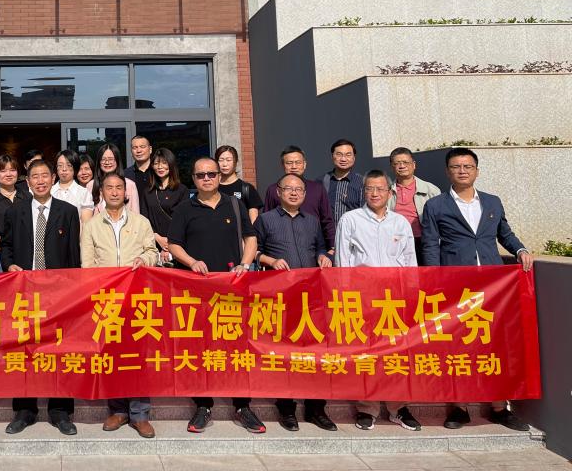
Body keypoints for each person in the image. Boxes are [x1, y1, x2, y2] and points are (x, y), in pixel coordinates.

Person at [422, 147, 533, 432]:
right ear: (448, 172)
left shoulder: (492, 202)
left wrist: (520, 250)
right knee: (458, 348)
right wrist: (435, 282)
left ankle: (499, 406)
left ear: (476, 171)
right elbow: (430, 245)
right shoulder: (435, 206)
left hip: (493, 288)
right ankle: (459, 408)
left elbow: (504, 233)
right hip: (456, 287)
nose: (462, 171)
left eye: (467, 166)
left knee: (495, 346)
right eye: (456, 167)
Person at [167, 157, 263, 435]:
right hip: (197, 291)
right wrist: (191, 261)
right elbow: (174, 244)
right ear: (194, 179)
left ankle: (242, 405)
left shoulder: (235, 204)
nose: (207, 178)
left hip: (232, 290)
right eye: (201, 175)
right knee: (199, 349)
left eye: (211, 174)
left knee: (237, 348)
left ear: (220, 176)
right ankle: (203, 405)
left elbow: (250, 238)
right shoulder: (185, 209)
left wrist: (245, 264)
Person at [334, 170, 420, 432]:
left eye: (380, 189)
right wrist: (346, 296)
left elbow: (410, 261)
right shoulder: (350, 220)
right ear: (364, 192)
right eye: (370, 188)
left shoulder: (400, 223)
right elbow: (342, 261)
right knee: (366, 353)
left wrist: (411, 295)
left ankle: (398, 407)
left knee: (397, 353)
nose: (374, 193)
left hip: (395, 299)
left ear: (390, 192)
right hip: (363, 297)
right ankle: (367, 407)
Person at [0, 159, 81, 436]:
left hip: (58, 293)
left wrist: (72, 291)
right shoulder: (16, 211)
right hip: (25, 291)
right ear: (28, 181)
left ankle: (60, 411)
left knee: (60, 350)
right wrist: (9, 265)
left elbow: (73, 255)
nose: (40, 181)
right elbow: (6, 245)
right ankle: (25, 410)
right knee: (24, 350)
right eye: (35, 176)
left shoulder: (68, 212)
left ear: (53, 178)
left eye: (45, 175)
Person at [255, 173, 335, 432]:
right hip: (279, 298)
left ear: (304, 194)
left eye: (298, 189)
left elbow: (321, 247)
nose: (293, 193)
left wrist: (323, 257)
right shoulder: (266, 219)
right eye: (288, 188)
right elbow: (253, 251)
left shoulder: (312, 221)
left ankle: (315, 409)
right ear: (278, 192)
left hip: (310, 298)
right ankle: (286, 408)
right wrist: (270, 260)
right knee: (283, 354)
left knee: (314, 354)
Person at [81, 172, 159, 438]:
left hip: (137, 298)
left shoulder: (141, 222)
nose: (114, 192)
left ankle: (140, 414)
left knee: (138, 355)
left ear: (126, 192)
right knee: (111, 355)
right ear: (101, 192)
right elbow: (87, 265)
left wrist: (144, 260)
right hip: (106, 301)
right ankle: (117, 410)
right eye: (109, 188)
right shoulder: (92, 226)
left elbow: (153, 252)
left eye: (119, 188)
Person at [263, 146, 334, 253]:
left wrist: (332, 247)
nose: (294, 166)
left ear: (304, 164)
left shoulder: (317, 189)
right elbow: (266, 220)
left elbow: (327, 220)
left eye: (298, 162)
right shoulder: (274, 190)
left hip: (313, 248)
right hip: (283, 249)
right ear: (283, 165)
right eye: (289, 163)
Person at [386, 147, 441, 263]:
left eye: (405, 162)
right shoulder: (386, 191)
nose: (402, 166)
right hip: (396, 242)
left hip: (423, 242)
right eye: (397, 163)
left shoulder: (431, 190)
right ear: (392, 166)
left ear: (414, 164)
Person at [140, 147, 189, 265]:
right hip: (152, 245)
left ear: (171, 165)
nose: (160, 167)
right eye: (156, 163)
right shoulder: (147, 191)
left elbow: (183, 220)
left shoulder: (181, 190)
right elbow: (144, 219)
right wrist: (157, 237)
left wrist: (169, 245)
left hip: (177, 245)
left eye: (164, 163)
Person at [87, 143, 140, 215]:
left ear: (117, 160)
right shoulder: (91, 185)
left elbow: (136, 215)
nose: (107, 162)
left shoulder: (130, 185)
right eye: (103, 159)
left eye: (111, 159)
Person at [216, 145, 263, 224]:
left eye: (228, 160)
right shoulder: (213, 188)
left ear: (236, 162)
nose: (224, 164)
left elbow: (253, 222)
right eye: (221, 160)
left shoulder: (247, 188)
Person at [322, 139, 364, 228]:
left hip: (353, 234)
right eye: (339, 154)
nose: (343, 159)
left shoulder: (362, 182)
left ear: (354, 158)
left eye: (348, 155)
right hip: (328, 234)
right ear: (332, 156)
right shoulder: (321, 181)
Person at [51, 149, 94, 223]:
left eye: (69, 165)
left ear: (75, 167)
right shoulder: (50, 191)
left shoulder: (84, 193)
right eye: (60, 165)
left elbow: (86, 224)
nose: (64, 169)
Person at [125, 134, 153, 205]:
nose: (138, 150)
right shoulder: (125, 175)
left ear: (150, 149)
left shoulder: (159, 171)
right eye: (135, 148)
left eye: (142, 147)